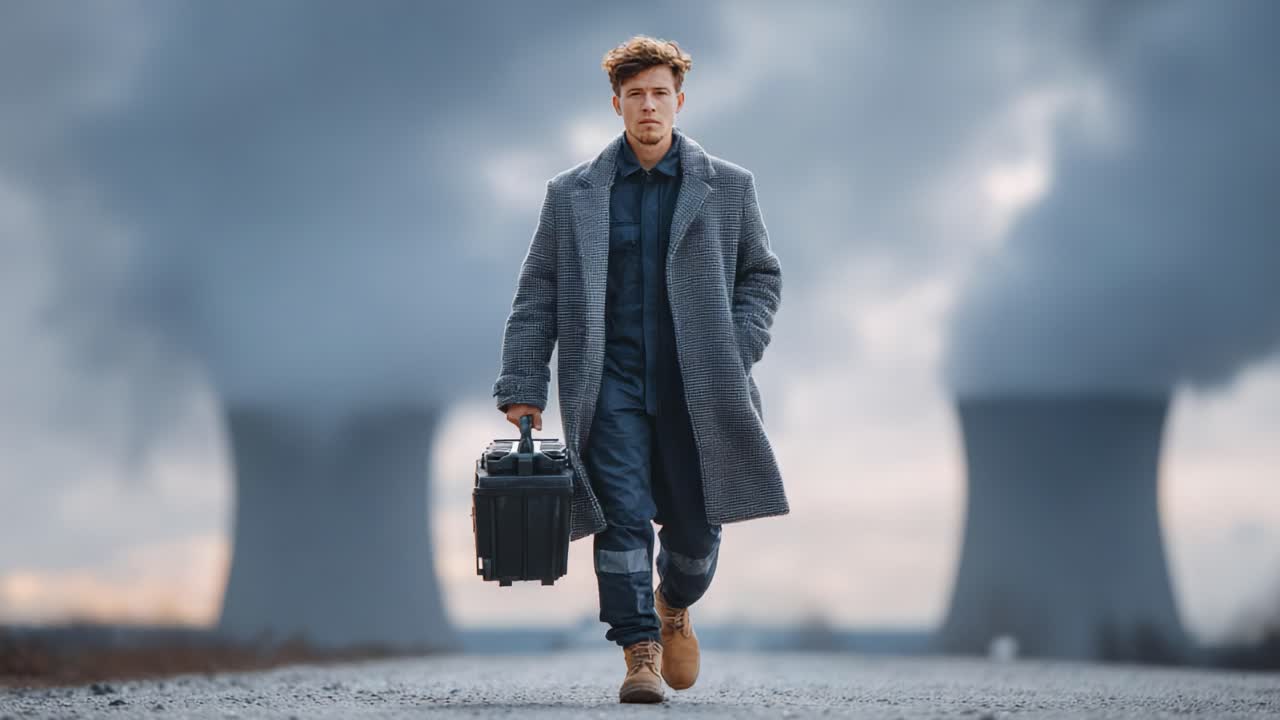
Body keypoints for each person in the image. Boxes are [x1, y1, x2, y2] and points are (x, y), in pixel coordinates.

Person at [492, 34, 787, 704]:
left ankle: (673, 604)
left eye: (659, 94)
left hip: (701, 392)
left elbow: (761, 279)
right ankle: (639, 652)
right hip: (610, 387)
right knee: (619, 516)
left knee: (695, 534)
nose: (648, 106)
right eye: (635, 96)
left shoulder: (729, 189)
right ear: (617, 105)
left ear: (679, 101)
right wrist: (523, 385)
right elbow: (539, 290)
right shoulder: (572, 195)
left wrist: (736, 349)